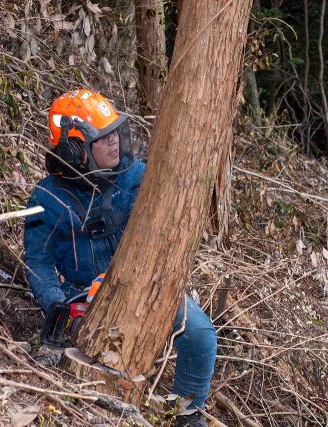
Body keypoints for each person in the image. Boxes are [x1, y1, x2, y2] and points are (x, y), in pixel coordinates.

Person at [23, 88, 216, 427]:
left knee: (199, 333)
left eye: (115, 133)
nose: (114, 143)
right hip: (83, 295)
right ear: (75, 149)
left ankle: (188, 413)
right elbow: (38, 262)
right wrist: (57, 305)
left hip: (145, 284)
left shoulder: (138, 177)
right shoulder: (46, 197)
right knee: (101, 353)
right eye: (103, 138)